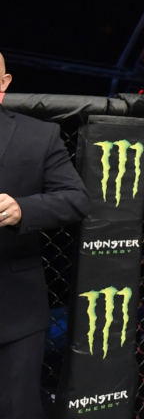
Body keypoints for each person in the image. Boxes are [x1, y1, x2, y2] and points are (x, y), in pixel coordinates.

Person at [0, 51, 91, 418]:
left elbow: (76, 200)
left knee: (17, 408)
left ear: (4, 83)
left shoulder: (37, 135)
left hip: (14, 309)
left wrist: (22, 209)